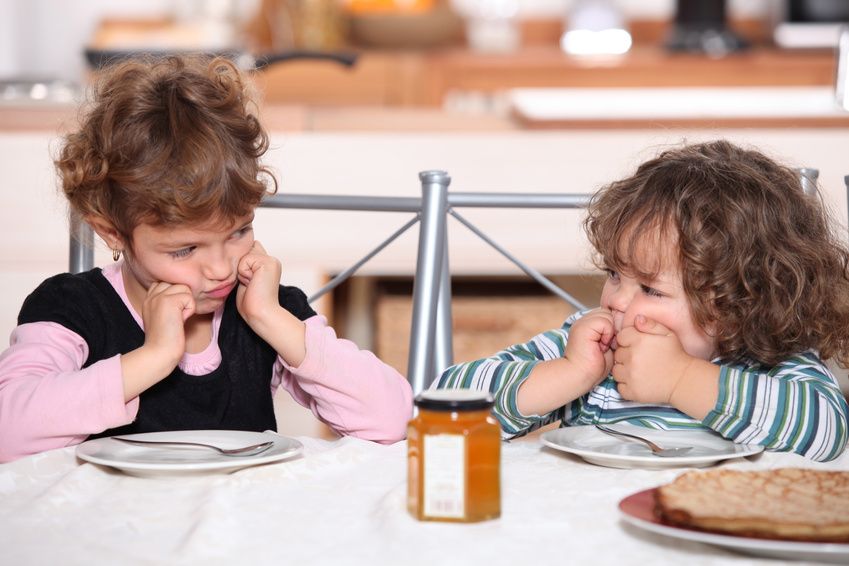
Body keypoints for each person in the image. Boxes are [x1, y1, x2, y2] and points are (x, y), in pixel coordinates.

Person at [0, 55, 413, 463]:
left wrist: (270, 318)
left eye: (239, 232)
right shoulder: (74, 308)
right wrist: (154, 356)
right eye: (185, 250)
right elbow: (7, 431)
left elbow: (393, 419)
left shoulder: (265, 306)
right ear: (111, 232)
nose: (221, 269)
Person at [433, 140, 849, 462]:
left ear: (738, 306)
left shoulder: (773, 361)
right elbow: (444, 404)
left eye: (650, 289)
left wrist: (680, 379)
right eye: (615, 274)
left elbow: (828, 434)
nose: (617, 300)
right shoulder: (593, 346)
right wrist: (569, 373)